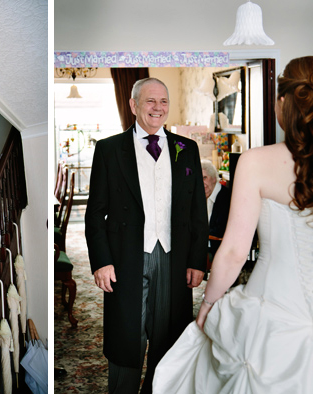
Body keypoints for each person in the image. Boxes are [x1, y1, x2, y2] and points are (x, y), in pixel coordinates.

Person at [153, 56, 313, 393]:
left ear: (283, 102)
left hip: (271, 302)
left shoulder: (256, 161)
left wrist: (210, 303)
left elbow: (233, 251)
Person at [85, 78, 208, 394]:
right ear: (133, 105)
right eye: (150, 101)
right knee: (127, 338)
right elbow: (95, 213)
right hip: (126, 258)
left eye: (163, 101)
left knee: (168, 341)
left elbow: (197, 212)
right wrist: (101, 262)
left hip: (173, 258)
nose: (158, 108)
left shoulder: (187, 149)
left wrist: (197, 260)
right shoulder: (109, 149)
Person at [201, 159, 231, 258]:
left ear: (214, 178)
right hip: (206, 247)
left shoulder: (226, 197)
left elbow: (221, 230)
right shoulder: (204, 195)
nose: (202, 183)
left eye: (205, 178)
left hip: (219, 252)